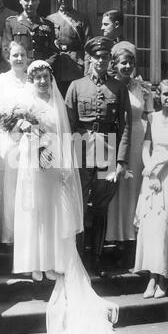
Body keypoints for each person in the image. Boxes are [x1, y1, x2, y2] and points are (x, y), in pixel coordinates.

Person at [12, 60, 118, 334]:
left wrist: (58, 164)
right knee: (36, 213)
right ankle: (39, 263)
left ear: (50, 78)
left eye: (46, 77)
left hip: (54, 163)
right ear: (32, 80)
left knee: (54, 214)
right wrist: (26, 137)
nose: (43, 82)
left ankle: (56, 262)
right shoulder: (25, 103)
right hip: (31, 165)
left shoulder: (57, 103)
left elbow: (62, 136)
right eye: (39, 78)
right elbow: (13, 135)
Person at [65, 37, 132, 276]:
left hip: (108, 150)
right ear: (90, 59)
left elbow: (125, 125)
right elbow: (68, 124)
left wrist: (122, 160)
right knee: (80, 205)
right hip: (81, 150)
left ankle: (97, 258)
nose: (101, 61)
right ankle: (79, 258)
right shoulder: (76, 86)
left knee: (101, 206)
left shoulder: (118, 88)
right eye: (97, 57)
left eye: (105, 57)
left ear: (109, 60)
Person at [134, 79, 168, 298]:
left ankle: (165, 278)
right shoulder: (152, 117)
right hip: (153, 175)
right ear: (159, 95)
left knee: (167, 226)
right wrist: (150, 169)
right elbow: (146, 148)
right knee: (152, 227)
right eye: (165, 94)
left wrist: (156, 165)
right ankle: (153, 278)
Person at [105, 48, 153, 267]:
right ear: (114, 63)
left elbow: (150, 117)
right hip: (114, 140)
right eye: (123, 63)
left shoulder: (141, 87)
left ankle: (132, 241)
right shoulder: (108, 84)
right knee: (116, 189)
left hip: (138, 140)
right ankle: (114, 240)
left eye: (130, 63)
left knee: (134, 188)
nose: (127, 67)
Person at [0, 41, 27, 244]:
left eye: (22, 55)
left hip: (28, 142)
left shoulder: (32, 81)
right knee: (9, 189)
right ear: (8, 58)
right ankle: (9, 237)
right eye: (15, 55)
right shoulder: (0, 81)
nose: (19, 59)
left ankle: (26, 238)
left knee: (26, 189)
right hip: (7, 141)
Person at [46, 0, 92, 97]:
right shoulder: (50, 19)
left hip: (75, 69)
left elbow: (88, 47)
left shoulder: (82, 19)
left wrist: (87, 72)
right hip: (56, 68)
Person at [2, 0, 57, 68]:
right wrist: (20, 68)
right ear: (20, 1)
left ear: (38, 1)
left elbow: (54, 52)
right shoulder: (11, 23)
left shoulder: (48, 24)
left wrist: (43, 67)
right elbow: (6, 51)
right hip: (19, 71)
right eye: (27, 0)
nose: (30, 4)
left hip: (41, 72)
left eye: (33, 0)